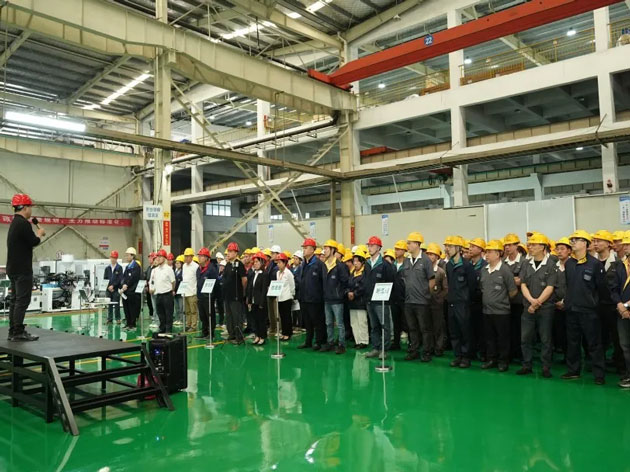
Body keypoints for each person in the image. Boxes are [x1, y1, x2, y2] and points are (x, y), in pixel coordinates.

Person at [562, 230, 606, 385]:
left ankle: (599, 374)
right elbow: (568, 285)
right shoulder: (569, 263)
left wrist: (594, 305)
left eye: (577, 240)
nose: (573, 243)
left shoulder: (595, 264)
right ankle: (573, 370)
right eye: (572, 240)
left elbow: (601, 289)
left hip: (589, 311)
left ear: (585, 244)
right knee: (572, 342)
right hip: (571, 310)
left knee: (594, 343)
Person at [517, 233, 557, 378]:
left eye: (534, 244)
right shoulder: (526, 264)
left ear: (542, 247)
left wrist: (537, 303)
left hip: (545, 309)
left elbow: (550, 287)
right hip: (528, 308)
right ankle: (526, 365)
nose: (530, 247)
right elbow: (523, 284)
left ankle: (545, 367)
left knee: (545, 339)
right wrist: (531, 301)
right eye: (530, 244)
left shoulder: (551, 264)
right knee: (525, 338)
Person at [6, 193, 45, 341]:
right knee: (22, 301)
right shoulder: (23, 224)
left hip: (13, 268)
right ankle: (18, 332)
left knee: (15, 301)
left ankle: (13, 331)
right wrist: (39, 234)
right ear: (25, 208)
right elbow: (33, 241)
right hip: (23, 269)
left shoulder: (14, 223)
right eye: (30, 207)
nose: (31, 211)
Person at [479, 240, 518, 372]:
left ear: (498, 254)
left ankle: (503, 361)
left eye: (490, 252)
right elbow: (482, 288)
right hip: (487, 311)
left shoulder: (505, 270)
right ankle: (491, 359)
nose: (487, 255)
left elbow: (513, 291)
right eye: (486, 252)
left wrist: (501, 300)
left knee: (503, 338)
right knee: (489, 338)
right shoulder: (484, 270)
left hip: (501, 312)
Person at [592, 230, 624, 375]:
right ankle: (600, 365)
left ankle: (620, 365)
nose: (596, 244)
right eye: (594, 241)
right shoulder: (592, 262)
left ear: (608, 244)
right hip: (596, 306)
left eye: (599, 241)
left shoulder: (618, 263)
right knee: (599, 337)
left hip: (614, 307)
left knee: (617, 338)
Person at [401, 232, 436, 362]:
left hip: (422, 302)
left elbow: (432, 280)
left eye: (409, 243)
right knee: (412, 328)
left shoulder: (426, 260)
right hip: (409, 301)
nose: (407, 245)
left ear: (417, 244)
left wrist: (426, 294)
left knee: (425, 329)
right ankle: (413, 350)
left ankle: (426, 352)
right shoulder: (406, 260)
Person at [444, 235, 477, 368]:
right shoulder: (448, 265)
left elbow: (473, 286)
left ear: (458, 248)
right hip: (451, 303)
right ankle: (457, 355)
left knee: (465, 331)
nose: (447, 249)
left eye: (450, 246)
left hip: (463, 304)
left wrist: (466, 299)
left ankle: (466, 357)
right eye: (446, 246)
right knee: (454, 331)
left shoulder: (467, 265)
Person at [364, 236, 396, 360]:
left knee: (384, 326)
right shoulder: (367, 264)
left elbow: (391, 282)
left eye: (372, 246)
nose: (369, 248)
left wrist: (387, 299)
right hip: (370, 300)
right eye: (369, 245)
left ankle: (384, 349)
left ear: (378, 248)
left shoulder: (385, 265)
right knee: (374, 326)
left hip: (381, 301)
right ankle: (376, 348)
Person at [608, 231, 630, 388]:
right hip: (621, 311)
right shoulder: (621, 265)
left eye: (628, 244)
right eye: (625, 244)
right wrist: (620, 305)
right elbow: (613, 288)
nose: (626, 247)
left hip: (626, 308)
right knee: (625, 345)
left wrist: (626, 306)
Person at [297, 238, 327, 350]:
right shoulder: (303, 264)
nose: (304, 250)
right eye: (303, 248)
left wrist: (321, 297)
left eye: (306, 248)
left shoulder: (319, 264)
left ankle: (319, 342)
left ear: (312, 249)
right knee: (307, 322)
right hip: (304, 298)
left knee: (318, 322)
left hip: (315, 299)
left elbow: (324, 282)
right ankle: (308, 341)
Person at [322, 240, 349, 354]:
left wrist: (340, 293)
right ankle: (330, 342)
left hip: (337, 300)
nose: (324, 251)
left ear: (333, 250)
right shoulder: (324, 265)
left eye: (327, 248)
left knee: (339, 323)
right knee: (328, 323)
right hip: (327, 299)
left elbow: (345, 281)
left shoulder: (340, 266)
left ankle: (341, 345)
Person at [503, 233, 524, 362]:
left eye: (510, 245)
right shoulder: (503, 262)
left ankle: (520, 353)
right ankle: (509, 353)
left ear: (517, 246)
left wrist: (512, 281)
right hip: (505, 301)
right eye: (506, 245)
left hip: (520, 301)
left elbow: (524, 280)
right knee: (507, 329)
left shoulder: (524, 262)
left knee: (520, 329)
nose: (507, 247)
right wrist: (513, 281)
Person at [426, 243, 448, 357]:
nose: (430, 256)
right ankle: (429, 347)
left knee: (438, 327)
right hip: (425, 303)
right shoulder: (424, 270)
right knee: (427, 327)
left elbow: (445, 288)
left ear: (437, 257)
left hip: (437, 303)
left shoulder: (440, 272)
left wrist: (439, 299)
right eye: (428, 254)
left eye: (432, 254)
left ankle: (439, 348)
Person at [223, 242, 248, 344]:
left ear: (236, 253)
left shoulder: (239, 265)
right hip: (227, 296)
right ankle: (231, 334)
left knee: (236, 316)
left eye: (230, 251)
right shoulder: (228, 264)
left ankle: (239, 336)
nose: (228, 253)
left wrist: (242, 291)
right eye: (228, 251)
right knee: (229, 316)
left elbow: (244, 280)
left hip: (236, 296)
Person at [468, 238, 487, 361]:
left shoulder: (485, 266)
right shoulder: (468, 265)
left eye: (473, 247)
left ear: (480, 250)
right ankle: (472, 351)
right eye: (470, 246)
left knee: (482, 329)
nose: (470, 249)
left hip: (481, 302)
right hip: (469, 301)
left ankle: (483, 352)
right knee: (470, 328)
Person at [347, 248, 369, 349]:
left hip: (361, 302)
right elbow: (348, 284)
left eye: (357, 261)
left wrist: (354, 294)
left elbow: (364, 286)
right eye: (354, 261)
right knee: (354, 322)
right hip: (352, 303)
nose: (355, 263)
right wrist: (348, 292)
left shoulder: (364, 273)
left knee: (362, 322)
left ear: (362, 262)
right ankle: (357, 340)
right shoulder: (353, 273)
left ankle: (363, 341)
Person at [553, 237, 571, 360]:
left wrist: (565, 301)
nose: (559, 251)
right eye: (557, 249)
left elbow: (574, 287)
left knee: (571, 333)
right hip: (555, 305)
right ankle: (565, 355)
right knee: (559, 332)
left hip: (570, 305)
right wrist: (555, 302)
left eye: (562, 249)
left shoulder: (574, 265)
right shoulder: (553, 267)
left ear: (569, 250)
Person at [149, 249, 175, 334]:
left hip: (167, 294)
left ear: (164, 258)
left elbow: (173, 282)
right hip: (158, 295)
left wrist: (172, 290)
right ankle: (162, 328)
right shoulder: (155, 270)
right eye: (157, 257)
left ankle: (168, 330)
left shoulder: (168, 269)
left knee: (168, 313)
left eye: (160, 257)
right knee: (160, 313)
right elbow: (153, 281)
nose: (158, 258)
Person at [246, 251, 269, 345]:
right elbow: (250, 288)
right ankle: (257, 336)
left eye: (257, 262)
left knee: (261, 320)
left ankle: (262, 336)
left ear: (262, 262)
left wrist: (261, 303)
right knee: (255, 319)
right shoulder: (253, 274)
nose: (255, 263)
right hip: (253, 301)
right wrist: (249, 300)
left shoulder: (265, 274)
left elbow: (264, 290)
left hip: (260, 302)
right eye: (254, 262)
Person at [196, 247, 219, 340]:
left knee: (209, 315)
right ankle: (204, 332)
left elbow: (216, 283)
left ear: (206, 258)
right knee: (202, 315)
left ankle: (211, 333)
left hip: (208, 297)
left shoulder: (211, 269)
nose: (199, 258)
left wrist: (213, 295)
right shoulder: (198, 269)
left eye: (201, 256)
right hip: (200, 296)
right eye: (199, 256)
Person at [390, 240, 408, 351]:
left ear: (404, 250)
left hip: (405, 298)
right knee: (395, 321)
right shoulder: (393, 266)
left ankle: (412, 344)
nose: (396, 251)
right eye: (395, 249)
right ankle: (396, 342)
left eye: (398, 249)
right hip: (394, 297)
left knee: (407, 322)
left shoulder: (408, 265)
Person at [275, 252, 295, 341]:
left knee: (287, 316)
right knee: (282, 316)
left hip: (287, 297)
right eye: (277, 263)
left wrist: (292, 295)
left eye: (280, 262)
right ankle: (283, 332)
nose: (278, 264)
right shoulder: (277, 273)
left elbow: (292, 285)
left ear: (284, 263)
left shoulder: (288, 273)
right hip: (280, 298)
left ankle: (288, 333)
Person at [121, 247, 142, 330]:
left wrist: (127, 285)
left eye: (127, 255)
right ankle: (128, 323)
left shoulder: (136, 266)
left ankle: (132, 324)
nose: (126, 257)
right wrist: (123, 284)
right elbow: (124, 277)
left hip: (132, 291)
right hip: (125, 291)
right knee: (126, 308)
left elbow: (133, 278)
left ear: (132, 256)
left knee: (132, 308)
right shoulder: (127, 267)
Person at [182, 248, 199, 332]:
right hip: (185, 292)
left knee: (193, 311)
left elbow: (197, 279)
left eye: (188, 256)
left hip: (192, 292)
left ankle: (193, 326)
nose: (186, 258)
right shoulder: (184, 266)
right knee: (187, 311)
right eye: (185, 256)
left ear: (192, 257)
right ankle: (188, 324)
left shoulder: (196, 266)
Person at [104, 250, 123, 325]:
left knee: (116, 304)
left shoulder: (119, 268)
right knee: (109, 304)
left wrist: (113, 286)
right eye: (112, 257)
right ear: (110, 257)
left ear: (116, 258)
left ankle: (118, 318)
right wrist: (108, 286)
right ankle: (110, 319)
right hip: (108, 290)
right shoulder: (107, 268)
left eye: (114, 258)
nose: (113, 259)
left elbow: (120, 279)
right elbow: (105, 278)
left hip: (115, 289)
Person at [173, 255, 184, 326]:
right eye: (176, 263)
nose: (177, 264)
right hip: (175, 293)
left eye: (178, 263)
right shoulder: (175, 272)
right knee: (176, 307)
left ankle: (181, 319)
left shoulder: (183, 272)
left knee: (181, 307)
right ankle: (177, 319)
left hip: (180, 293)